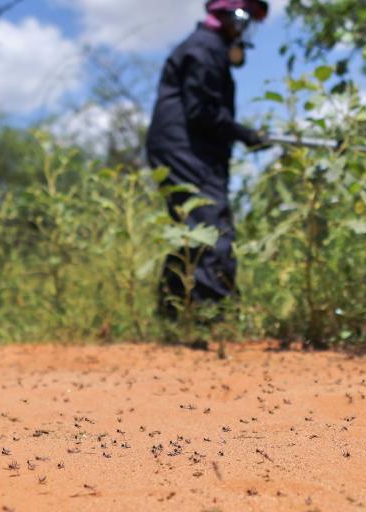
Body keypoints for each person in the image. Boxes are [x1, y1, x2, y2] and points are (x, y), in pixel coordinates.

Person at [146, 0, 268, 325]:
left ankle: (175, 317)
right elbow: (202, 112)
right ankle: (213, 320)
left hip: (184, 146)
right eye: (247, 18)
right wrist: (243, 133)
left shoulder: (206, 48)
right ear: (232, 16)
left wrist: (242, 134)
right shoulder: (204, 49)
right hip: (186, 148)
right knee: (211, 227)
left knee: (192, 229)